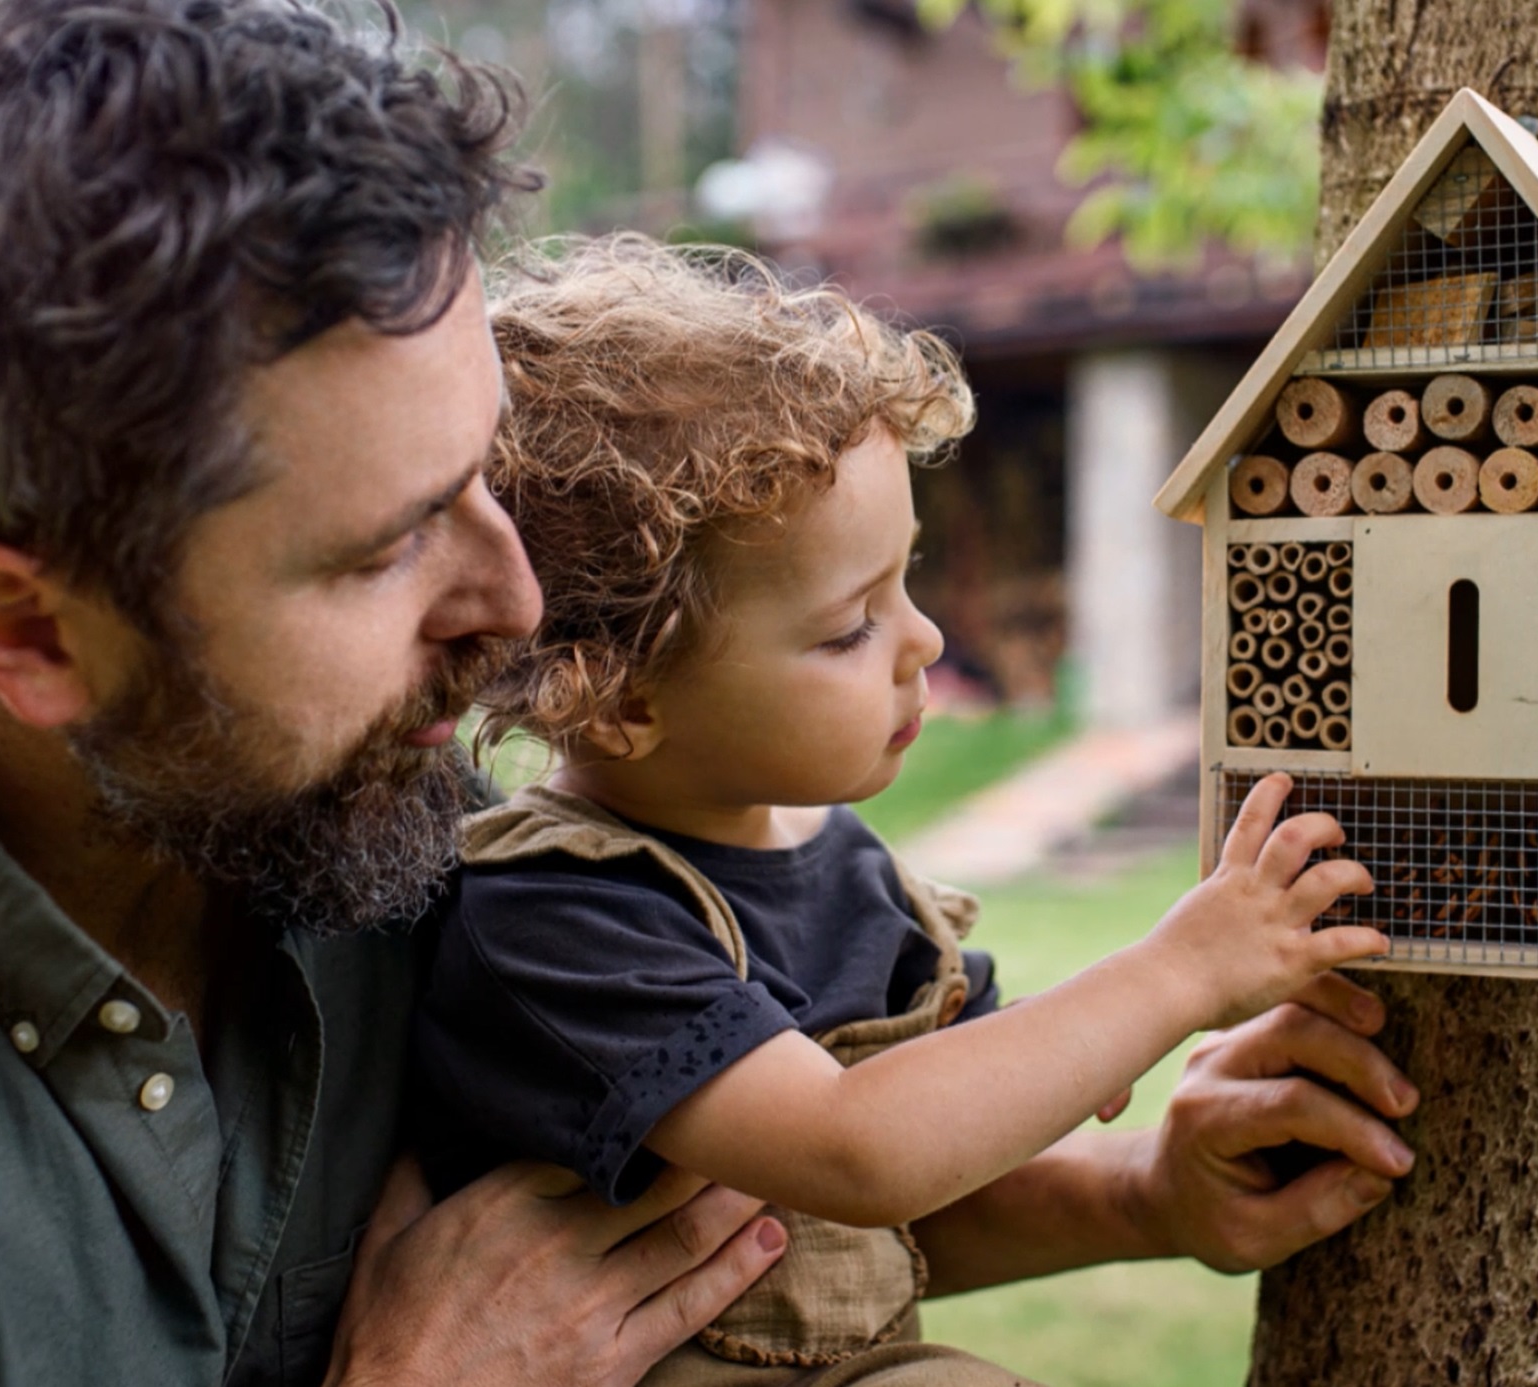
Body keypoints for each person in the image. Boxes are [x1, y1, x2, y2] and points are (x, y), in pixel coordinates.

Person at [0, 4, 1416, 1384]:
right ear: (30, 633)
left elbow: (770, 1219)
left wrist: (1137, 1196)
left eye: (489, 474)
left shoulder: (374, 811)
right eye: (380, 545)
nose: (512, 604)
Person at [408, 238, 1394, 1386]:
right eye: (847, 627)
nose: (922, 641)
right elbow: (855, 1148)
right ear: (620, 698)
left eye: (906, 581)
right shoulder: (553, 910)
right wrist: (1174, 974)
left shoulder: (845, 868)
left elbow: (924, 1183)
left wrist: (1138, 1162)